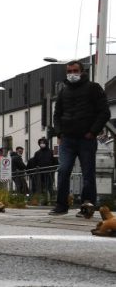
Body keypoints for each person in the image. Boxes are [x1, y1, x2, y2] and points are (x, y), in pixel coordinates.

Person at [49, 60, 111, 216]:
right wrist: (59, 133)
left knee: (88, 173)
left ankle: (87, 205)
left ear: (82, 71)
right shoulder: (63, 91)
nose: (72, 74)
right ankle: (61, 205)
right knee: (63, 170)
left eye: (75, 70)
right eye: (69, 71)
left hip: (86, 139)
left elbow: (104, 112)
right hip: (67, 139)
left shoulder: (93, 88)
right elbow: (57, 115)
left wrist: (92, 132)